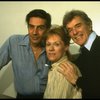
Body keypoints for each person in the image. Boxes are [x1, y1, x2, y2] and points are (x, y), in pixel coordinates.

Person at [0, 9, 52, 98]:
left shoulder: (52, 47)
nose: (34, 32)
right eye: (31, 26)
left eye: (40, 28)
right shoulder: (13, 42)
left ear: (48, 29)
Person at [62, 9, 100, 98]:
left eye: (78, 26)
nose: (74, 32)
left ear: (89, 25)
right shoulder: (81, 55)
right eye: (70, 30)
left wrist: (77, 80)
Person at [43, 26, 82, 98]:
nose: (51, 48)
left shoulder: (63, 69)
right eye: (48, 44)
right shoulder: (55, 67)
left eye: (56, 44)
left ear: (66, 47)